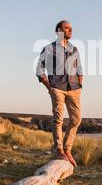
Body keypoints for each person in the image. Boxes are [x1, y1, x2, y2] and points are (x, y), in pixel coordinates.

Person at [35, 20, 83, 167]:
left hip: (74, 89)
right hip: (57, 88)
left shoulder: (74, 50)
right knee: (58, 119)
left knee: (77, 119)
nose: (70, 30)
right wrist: (49, 86)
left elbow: (79, 68)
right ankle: (59, 150)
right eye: (66, 28)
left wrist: (80, 84)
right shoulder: (49, 49)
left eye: (71, 28)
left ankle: (68, 149)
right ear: (58, 30)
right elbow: (39, 69)